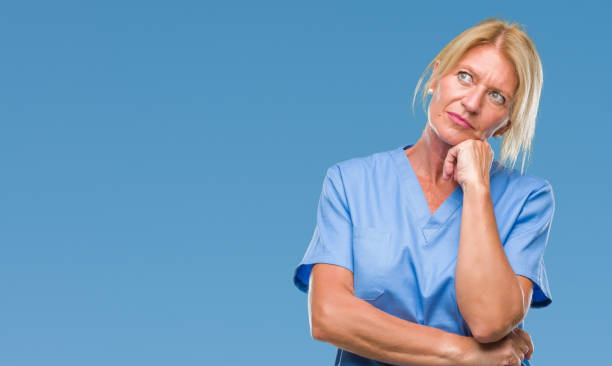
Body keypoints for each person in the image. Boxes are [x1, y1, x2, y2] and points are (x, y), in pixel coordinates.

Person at [292, 17, 556, 366]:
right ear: (436, 77)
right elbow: (328, 316)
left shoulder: (528, 199)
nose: (472, 102)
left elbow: (489, 321)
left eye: (496, 96)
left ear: (507, 121)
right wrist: (464, 354)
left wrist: (477, 187)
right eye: (465, 76)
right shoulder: (350, 183)